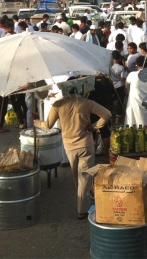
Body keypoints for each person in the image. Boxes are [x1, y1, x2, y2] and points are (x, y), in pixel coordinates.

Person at [33, 89, 111, 219]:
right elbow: (107, 114)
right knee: (84, 177)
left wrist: (36, 121)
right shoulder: (86, 102)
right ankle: (82, 208)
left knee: (78, 177)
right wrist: (94, 126)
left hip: (69, 146)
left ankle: (83, 203)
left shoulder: (58, 104)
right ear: (79, 90)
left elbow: (47, 125)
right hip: (86, 144)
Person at [124, 56, 147, 128]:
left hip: (134, 104)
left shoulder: (132, 74)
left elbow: (126, 85)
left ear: (137, 65)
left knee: (132, 125)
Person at [110, 51, 127, 125]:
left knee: (110, 102)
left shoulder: (110, 67)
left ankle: (111, 117)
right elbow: (122, 79)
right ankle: (118, 119)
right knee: (120, 102)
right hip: (120, 86)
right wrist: (126, 87)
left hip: (111, 86)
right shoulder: (121, 67)